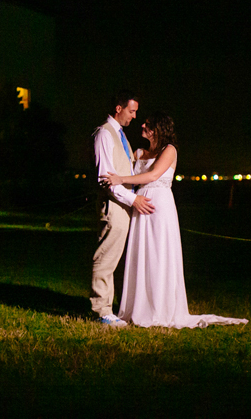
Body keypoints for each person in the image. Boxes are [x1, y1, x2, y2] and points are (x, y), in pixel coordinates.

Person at [102, 112, 248, 328]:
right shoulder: (139, 152)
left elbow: (152, 176)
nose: (142, 124)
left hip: (159, 207)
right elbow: (130, 173)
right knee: (141, 255)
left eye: (148, 124)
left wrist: (120, 179)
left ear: (158, 129)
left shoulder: (169, 151)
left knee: (159, 255)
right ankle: (138, 307)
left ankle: (159, 308)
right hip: (139, 205)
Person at [91, 90, 155, 326]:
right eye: (132, 111)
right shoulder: (104, 135)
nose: (135, 116)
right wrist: (133, 200)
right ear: (119, 109)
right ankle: (101, 310)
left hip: (124, 206)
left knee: (116, 259)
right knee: (105, 257)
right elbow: (105, 179)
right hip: (114, 206)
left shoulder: (121, 136)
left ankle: (110, 307)